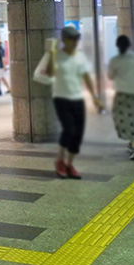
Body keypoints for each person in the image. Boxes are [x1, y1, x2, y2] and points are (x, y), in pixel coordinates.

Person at [35, 26, 103, 179]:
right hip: (61, 98)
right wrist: (51, 52)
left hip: (77, 98)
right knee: (69, 130)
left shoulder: (80, 57)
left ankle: (69, 164)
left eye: (76, 39)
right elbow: (51, 73)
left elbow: (86, 77)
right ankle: (60, 161)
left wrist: (95, 96)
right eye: (71, 39)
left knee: (78, 134)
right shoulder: (57, 55)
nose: (75, 42)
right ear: (64, 39)